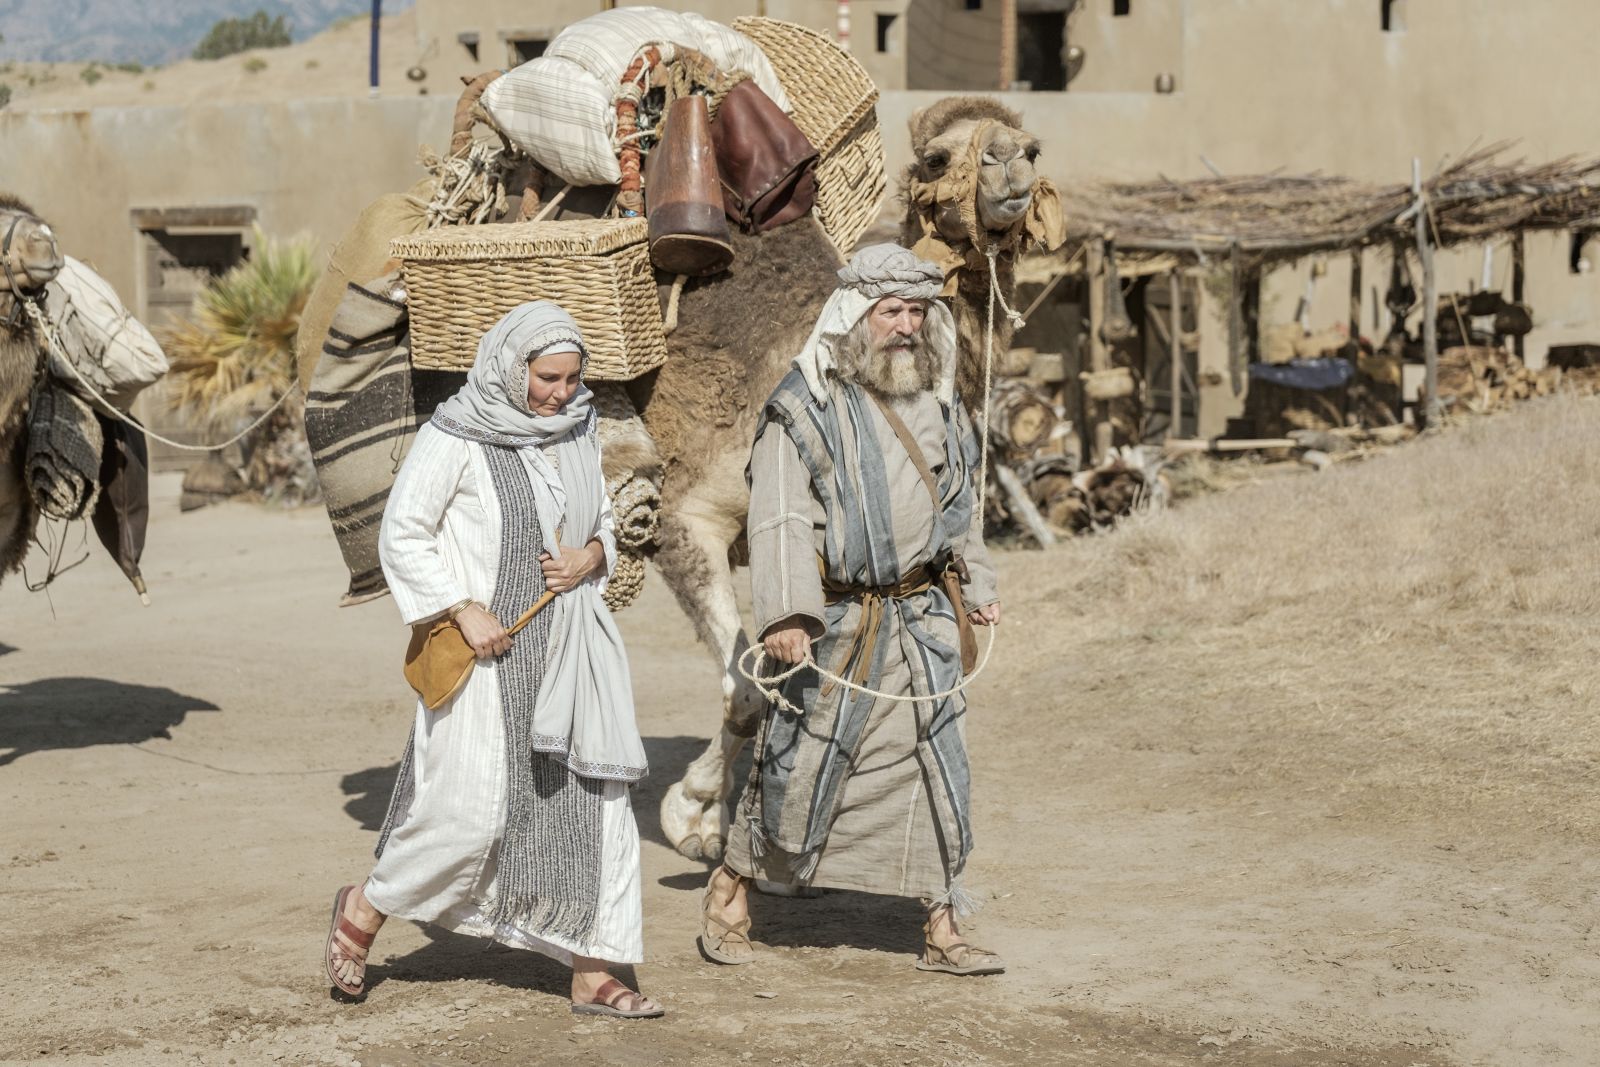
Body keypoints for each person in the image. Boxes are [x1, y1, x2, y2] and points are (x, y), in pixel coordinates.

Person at [323, 300, 662, 1018]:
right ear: (512, 369)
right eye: (547, 378)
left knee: (595, 806)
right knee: (466, 813)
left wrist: (589, 556)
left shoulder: (578, 430)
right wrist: (460, 606)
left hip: (570, 652)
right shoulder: (455, 434)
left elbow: (600, 519)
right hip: (485, 662)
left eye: (572, 378)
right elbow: (404, 533)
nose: (560, 394)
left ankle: (593, 968)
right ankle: (362, 908)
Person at [699, 244, 1005, 976]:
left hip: (921, 623)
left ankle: (943, 924)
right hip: (832, 628)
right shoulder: (802, 404)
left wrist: (979, 582)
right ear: (855, 316)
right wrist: (785, 615)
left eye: (917, 312)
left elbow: (960, 506)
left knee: (937, 765)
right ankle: (730, 895)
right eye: (890, 311)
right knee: (794, 767)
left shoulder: (937, 398)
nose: (905, 326)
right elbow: (777, 516)